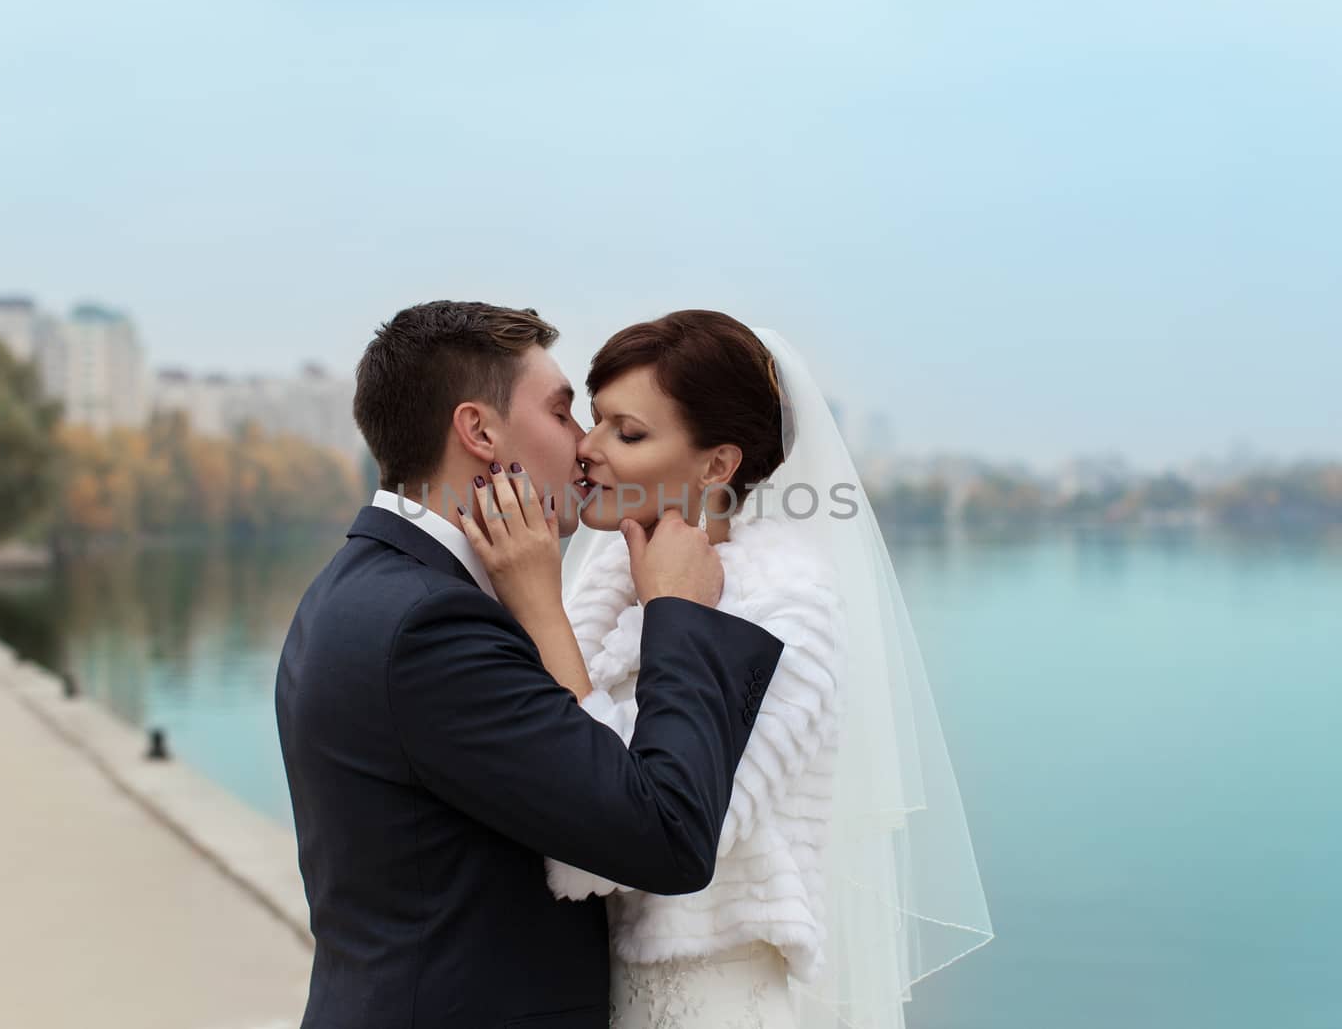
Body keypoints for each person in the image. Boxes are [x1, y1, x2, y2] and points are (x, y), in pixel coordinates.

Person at [466, 311, 994, 1028]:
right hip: (590, 988)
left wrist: (539, 609)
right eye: (593, 422)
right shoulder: (604, 582)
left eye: (628, 433)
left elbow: (633, 840)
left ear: (717, 465)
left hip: (708, 999)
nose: (586, 450)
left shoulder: (785, 612)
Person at [274, 300, 785, 1028]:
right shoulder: (431, 626)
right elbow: (665, 835)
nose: (583, 446)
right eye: (564, 412)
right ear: (480, 431)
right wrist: (681, 613)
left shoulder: (360, 586)